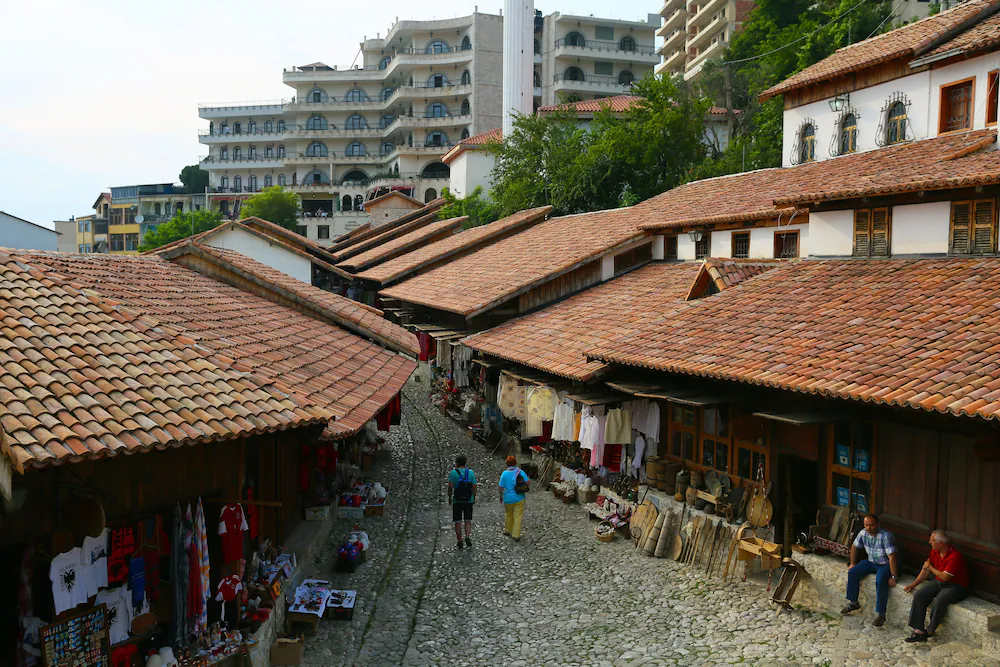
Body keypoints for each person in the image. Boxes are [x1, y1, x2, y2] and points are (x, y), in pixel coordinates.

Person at [903, 530, 969, 642]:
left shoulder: (954, 556)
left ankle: (930, 631)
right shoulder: (935, 552)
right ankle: (918, 629)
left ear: (941, 544)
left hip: (955, 586)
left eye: (932, 541)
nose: (930, 542)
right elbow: (926, 570)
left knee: (940, 600)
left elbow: (944, 577)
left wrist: (930, 568)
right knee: (920, 594)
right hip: (939, 582)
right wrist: (913, 584)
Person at [842, 513, 899, 626]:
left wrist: (894, 577)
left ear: (877, 524)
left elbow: (892, 557)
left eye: (871, 525)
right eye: (866, 525)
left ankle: (881, 615)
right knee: (853, 572)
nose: (868, 528)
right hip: (871, 562)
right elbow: (854, 546)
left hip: (884, 564)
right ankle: (853, 602)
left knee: (880, 581)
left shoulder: (885, 536)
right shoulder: (863, 533)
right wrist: (853, 563)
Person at [447, 455, 477, 549]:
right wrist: (473, 496)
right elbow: (474, 486)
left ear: (457, 463)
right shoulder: (470, 473)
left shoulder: (453, 473)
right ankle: (467, 536)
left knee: (458, 521)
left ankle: (459, 540)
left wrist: (449, 497)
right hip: (468, 500)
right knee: (468, 520)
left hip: (457, 500)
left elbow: (450, 487)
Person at [498, 456, 529, 542]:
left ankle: (508, 530)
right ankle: (516, 535)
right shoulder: (520, 472)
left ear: (507, 464)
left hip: (508, 498)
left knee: (508, 514)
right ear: (515, 463)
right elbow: (528, 482)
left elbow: (500, 487)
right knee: (518, 516)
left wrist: (501, 496)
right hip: (519, 497)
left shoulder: (504, 474)